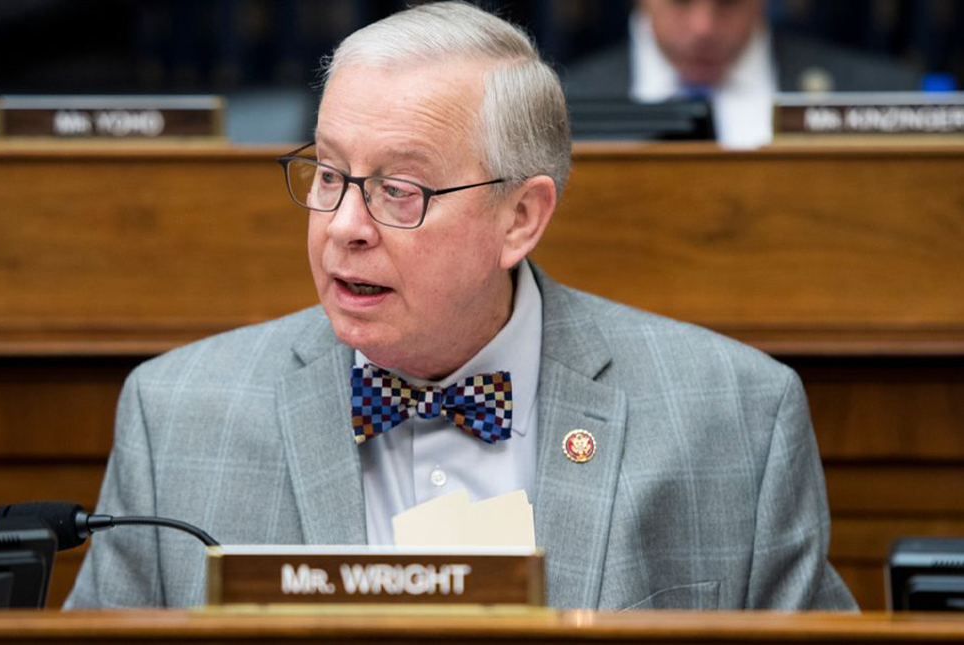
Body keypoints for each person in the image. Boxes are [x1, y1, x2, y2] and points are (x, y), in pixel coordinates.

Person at [66, 1, 856, 611]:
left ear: (521, 217)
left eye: (398, 190)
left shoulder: (735, 417)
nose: (343, 227)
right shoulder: (176, 418)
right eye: (330, 174)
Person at [564, 0, 921, 147]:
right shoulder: (560, 108)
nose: (703, 26)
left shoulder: (882, 95)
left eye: (728, 2)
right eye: (682, 1)